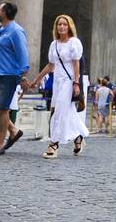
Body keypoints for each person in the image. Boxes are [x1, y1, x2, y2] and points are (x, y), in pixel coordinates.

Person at [29, 14, 89, 159]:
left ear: (69, 27)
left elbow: (76, 64)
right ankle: (78, 137)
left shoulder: (74, 42)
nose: (61, 27)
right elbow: (51, 65)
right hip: (58, 82)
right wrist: (37, 79)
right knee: (67, 112)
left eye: (64, 24)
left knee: (58, 112)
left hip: (69, 81)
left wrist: (76, 83)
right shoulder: (54, 44)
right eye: (59, 24)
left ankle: (54, 143)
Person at [0, 1, 29, 156]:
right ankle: (13, 130)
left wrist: (23, 76)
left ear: (5, 13)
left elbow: (23, 54)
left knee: (3, 110)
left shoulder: (16, 31)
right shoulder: (0, 29)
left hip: (9, 76)